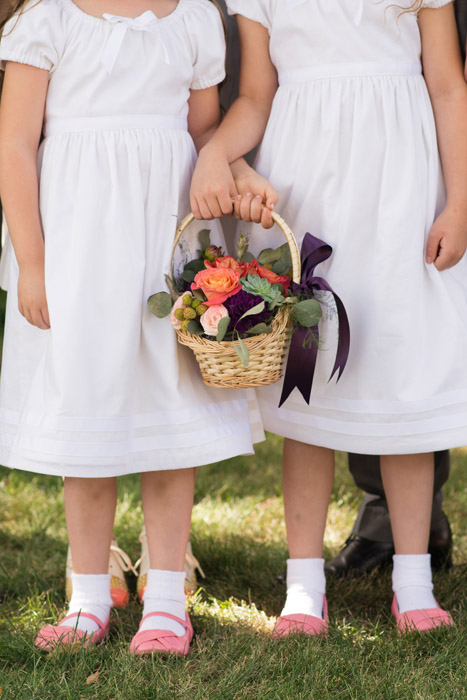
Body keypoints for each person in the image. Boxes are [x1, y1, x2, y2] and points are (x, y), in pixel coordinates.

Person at [191, 0, 467, 635]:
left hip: (401, 182)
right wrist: (217, 154)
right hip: (308, 177)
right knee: (305, 384)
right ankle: (303, 584)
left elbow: (447, 82)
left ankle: (414, 581)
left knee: (404, 372)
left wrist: (458, 202)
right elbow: (257, 94)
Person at [0, 0, 263, 655]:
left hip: (165, 244)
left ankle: (167, 601)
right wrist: (32, 261)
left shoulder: (194, 21)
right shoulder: (47, 23)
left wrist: (234, 169)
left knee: (169, 415)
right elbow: (13, 144)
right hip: (77, 246)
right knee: (87, 412)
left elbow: (204, 137)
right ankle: (88, 597)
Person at [327, 0, 467, 578]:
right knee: (375, 312)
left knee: (420, 327)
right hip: (343, 124)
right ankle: (395, 510)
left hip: (420, 110)